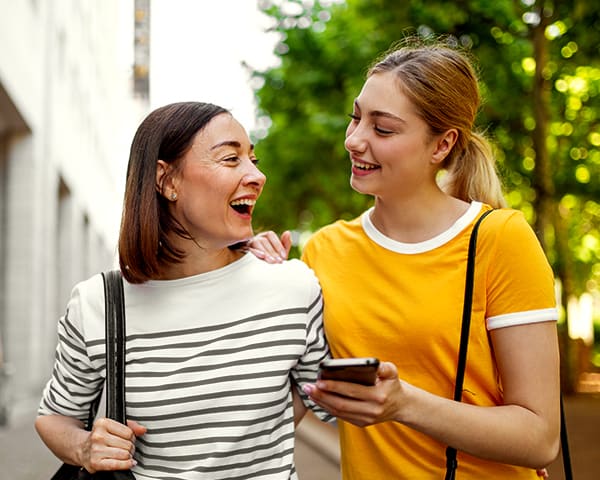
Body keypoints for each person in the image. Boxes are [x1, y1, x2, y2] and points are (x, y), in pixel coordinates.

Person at [249, 39, 560, 479]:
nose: (355, 140)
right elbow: (290, 399)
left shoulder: (499, 240)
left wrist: (403, 403)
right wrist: (254, 280)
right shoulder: (323, 249)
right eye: (356, 117)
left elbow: (541, 436)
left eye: (383, 129)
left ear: (441, 145)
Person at [35, 101, 331, 480]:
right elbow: (55, 417)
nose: (257, 175)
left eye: (253, 159)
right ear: (167, 181)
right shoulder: (99, 302)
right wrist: (85, 447)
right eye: (230, 159)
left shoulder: (293, 287)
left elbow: (321, 398)